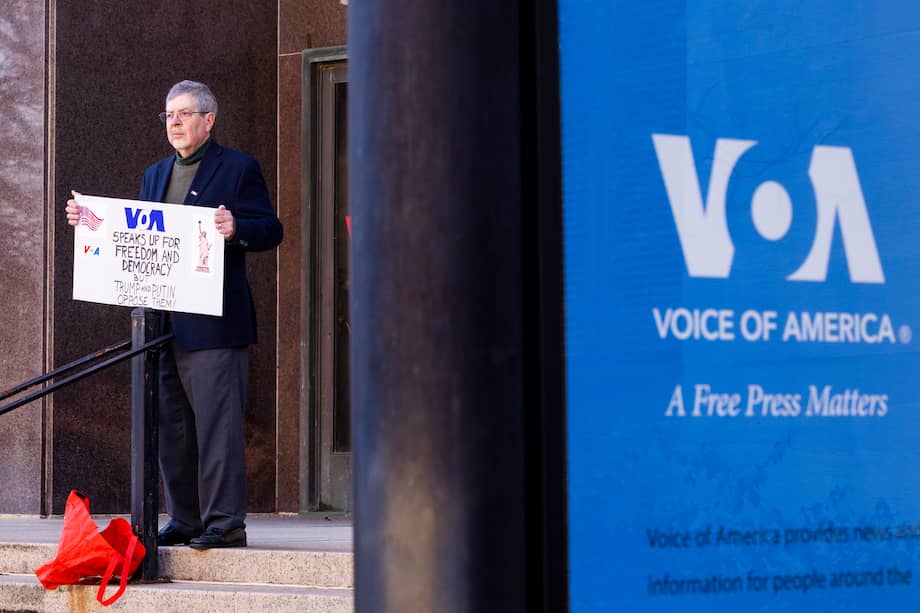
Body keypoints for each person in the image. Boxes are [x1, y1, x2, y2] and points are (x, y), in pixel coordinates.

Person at [65, 80, 283, 549]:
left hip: (215, 325)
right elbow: (137, 237)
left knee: (218, 429)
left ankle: (224, 523)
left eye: (184, 113)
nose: (175, 122)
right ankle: (185, 519)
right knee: (173, 430)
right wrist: (88, 223)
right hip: (162, 324)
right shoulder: (155, 174)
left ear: (209, 120)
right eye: (168, 114)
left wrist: (236, 228)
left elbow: (271, 229)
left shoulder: (238, 168)